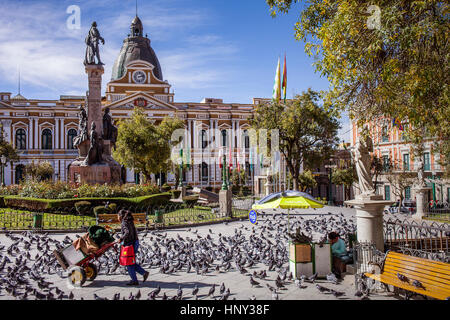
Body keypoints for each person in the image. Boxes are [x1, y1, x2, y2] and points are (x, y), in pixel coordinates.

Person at [118, 209, 149, 286]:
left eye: (118, 216)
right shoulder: (129, 221)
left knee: (129, 263)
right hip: (135, 242)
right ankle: (143, 273)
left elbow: (127, 232)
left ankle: (135, 280)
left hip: (130, 244)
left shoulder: (124, 222)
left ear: (120, 216)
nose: (117, 217)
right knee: (131, 261)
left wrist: (121, 238)